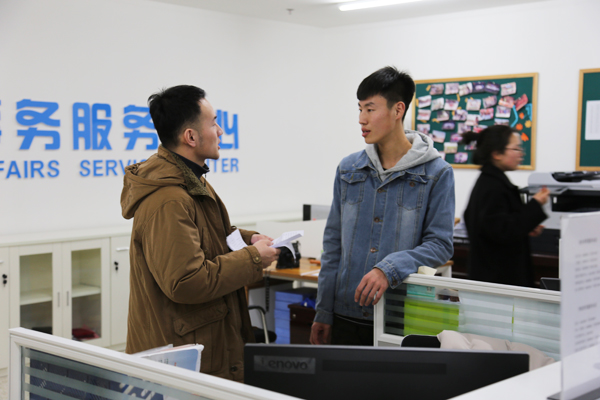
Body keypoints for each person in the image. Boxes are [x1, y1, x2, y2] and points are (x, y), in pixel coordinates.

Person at [120, 85, 279, 382]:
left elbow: (209, 234)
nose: (220, 131)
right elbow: (186, 281)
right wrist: (253, 258)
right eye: (214, 123)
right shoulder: (169, 199)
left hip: (203, 342)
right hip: (181, 356)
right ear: (191, 137)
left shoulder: (191, 180)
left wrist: (248, 240)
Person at [310, 66, 455, 346]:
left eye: (370, 109)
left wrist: (389, 268)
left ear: (398, 109)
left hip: (397, 315)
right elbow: (333, 245)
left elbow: (440, 245)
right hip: (345, 313)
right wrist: (323, 311)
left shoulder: (437, 173)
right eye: (360, 109)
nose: (362, 119)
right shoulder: (349, 169)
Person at [462, 126, 549, 287]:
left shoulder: (492, 181)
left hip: (495, 276)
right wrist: (535, 205)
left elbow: (499, 225)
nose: (521, 153)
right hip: (497, 280)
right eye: (516, 148)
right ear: (497, 154)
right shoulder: (492, 186)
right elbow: (502, 231)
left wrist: (526, 227)